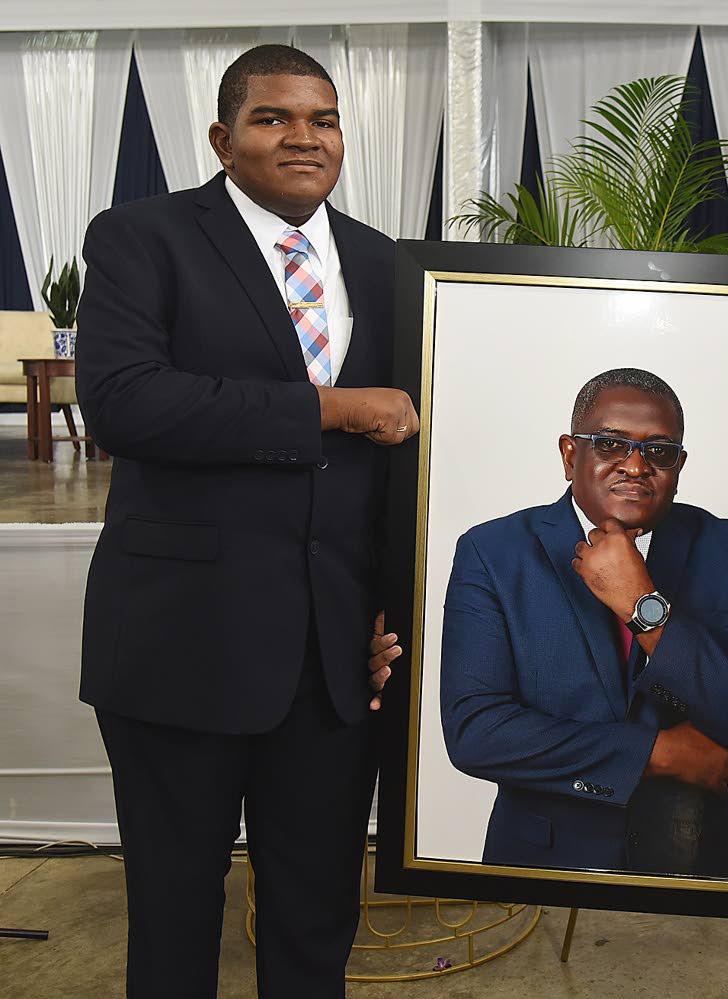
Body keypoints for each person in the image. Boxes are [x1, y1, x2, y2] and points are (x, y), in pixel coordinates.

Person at [75, 45, 416, 999]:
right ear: (224, 138)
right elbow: (127, 402)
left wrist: (396, 612)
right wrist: (332, 408)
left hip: (334, 659)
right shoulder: (142, 237)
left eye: (324, 119)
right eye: (273, 118)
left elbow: (405, 463)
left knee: (315, 921)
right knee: (176, 918)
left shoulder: (388, 265)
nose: (303, 137)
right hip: (183, 642)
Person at [430, 368, 728, 878]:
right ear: (568, 454)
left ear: (679, 465)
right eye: (609, 444)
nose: (635, 465)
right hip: (540, 867)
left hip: (693, 864)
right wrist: (658, 754)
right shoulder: (494, 553)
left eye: (659, 451)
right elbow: (477, 732)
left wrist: (643, 606)